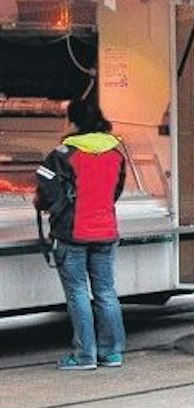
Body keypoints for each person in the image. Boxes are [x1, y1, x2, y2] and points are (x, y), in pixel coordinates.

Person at [34, 99, 128, 371]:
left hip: (72, 234)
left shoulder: (62, 153)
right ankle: (112, 353)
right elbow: (116, 192)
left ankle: (85, 355)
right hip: (106, 232)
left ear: (72, 121)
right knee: (106, 292)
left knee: (77, 293)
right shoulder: (116, 153)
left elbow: (46, 191)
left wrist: (48, 206)